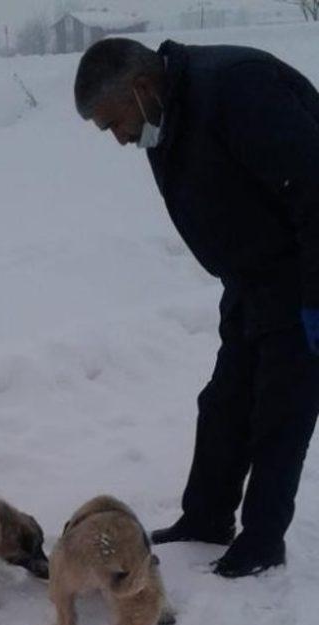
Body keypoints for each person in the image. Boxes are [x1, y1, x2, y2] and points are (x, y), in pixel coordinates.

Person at [74, 37, 319, 577]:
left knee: (281, 409)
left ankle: (262, 542)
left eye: (115, 124)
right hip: (251, 278)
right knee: (225, 402)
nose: (119, 139)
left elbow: (312, 186)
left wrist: (314, 298)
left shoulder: (239, 89)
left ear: (140, 88)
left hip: (302, 273)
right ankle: (206, 517)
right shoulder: (167, 113)